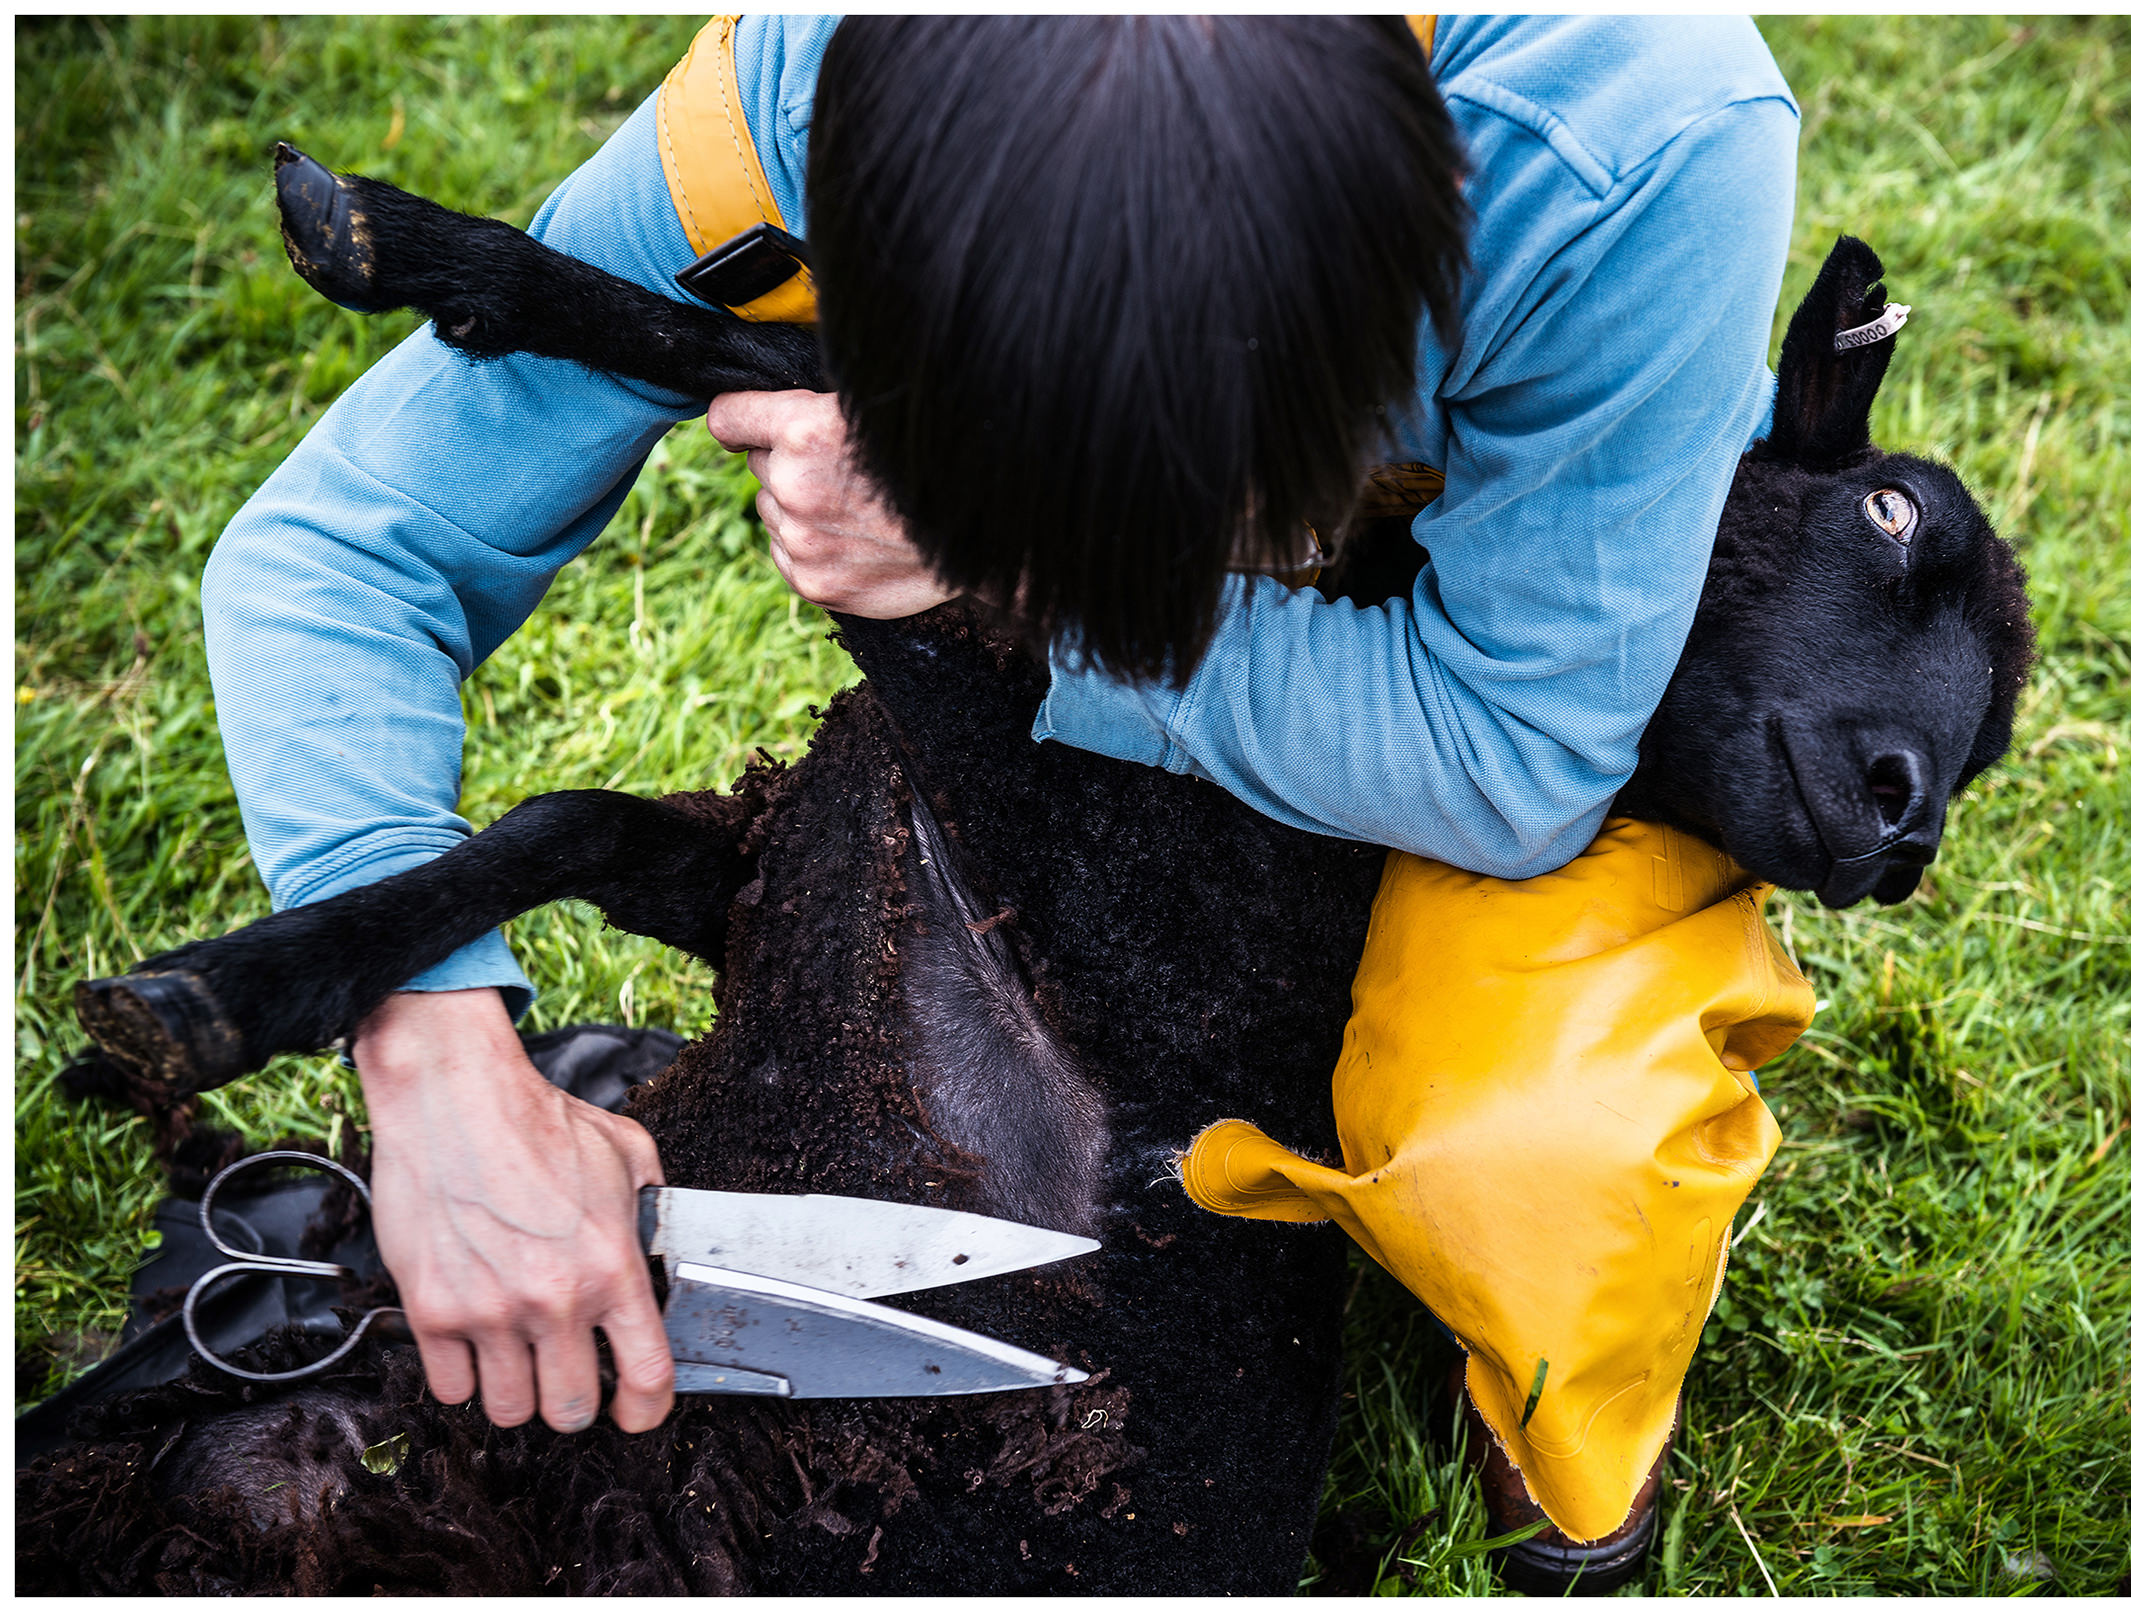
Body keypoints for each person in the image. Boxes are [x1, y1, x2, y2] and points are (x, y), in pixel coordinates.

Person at [202, 12, 1798, 1578]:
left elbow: (1517, 758)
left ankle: (1561, 1436)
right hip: (1092, 703)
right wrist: (436, 1063)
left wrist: (1017, 579)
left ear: (1429, 212)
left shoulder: (1629, 144)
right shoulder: (799, 98)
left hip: (1511, 667)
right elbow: (346, 551)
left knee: (1538, 1150)